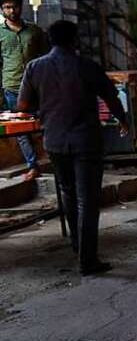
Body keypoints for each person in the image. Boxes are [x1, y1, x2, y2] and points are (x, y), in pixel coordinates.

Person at [17, 20, 129, 276]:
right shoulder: (87, 66)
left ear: (49, 40)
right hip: (86, 141)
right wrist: (122, 120)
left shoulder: (35, 67)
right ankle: (87, 260)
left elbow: (23, 105)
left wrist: (45, 106)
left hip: (55, 141)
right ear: (75, 40)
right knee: (87, 200)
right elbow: (111, 97)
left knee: (68, 193)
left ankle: (78, 247)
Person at [0, 0, 46, 178]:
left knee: (45, 123)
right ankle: (33, 164)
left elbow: (46, 57)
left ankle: (54, 158)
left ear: (21, 7)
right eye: (7, 7)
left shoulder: (34, 31)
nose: (11, 11)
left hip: (37, 86)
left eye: (14, 7)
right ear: (2, 10)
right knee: (20, 129)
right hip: (11, 86)